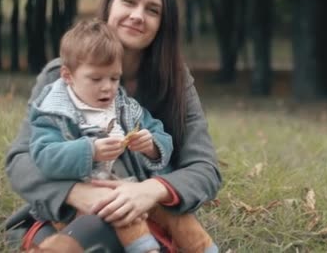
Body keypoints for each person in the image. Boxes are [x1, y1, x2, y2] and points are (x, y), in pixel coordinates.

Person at [5, 0, 222, 252]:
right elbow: (21, 160)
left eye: (152, 10)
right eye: (129, 2)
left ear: (163, 25)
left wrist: (148, 191)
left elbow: (205, 168)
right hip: (74, 210)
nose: (137, 16)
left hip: (150, 211)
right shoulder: (61, 76)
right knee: (98, 230)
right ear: (109, 5)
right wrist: (78, 193)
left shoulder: (176, 81)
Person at [28, 19, 215, 253]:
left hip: (135, 189)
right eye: (96, 79)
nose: (107, 87)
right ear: (68, 76)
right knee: (124, 216)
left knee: (178, 216)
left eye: (114, 78)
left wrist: (152, 145)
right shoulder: (55, 112)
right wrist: (90, 150)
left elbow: (159, 133)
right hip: (86, 200)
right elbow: (44, 155)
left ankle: (207, 249)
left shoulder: (125, 107)